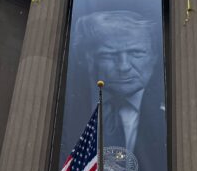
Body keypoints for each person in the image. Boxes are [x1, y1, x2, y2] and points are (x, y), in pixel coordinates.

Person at [68, 10, 163, 157]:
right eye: (108, 54)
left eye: (136, 53)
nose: (123, 67)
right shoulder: (65, 109)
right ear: (85, 59)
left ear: (154, 57)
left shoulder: (170, 112)